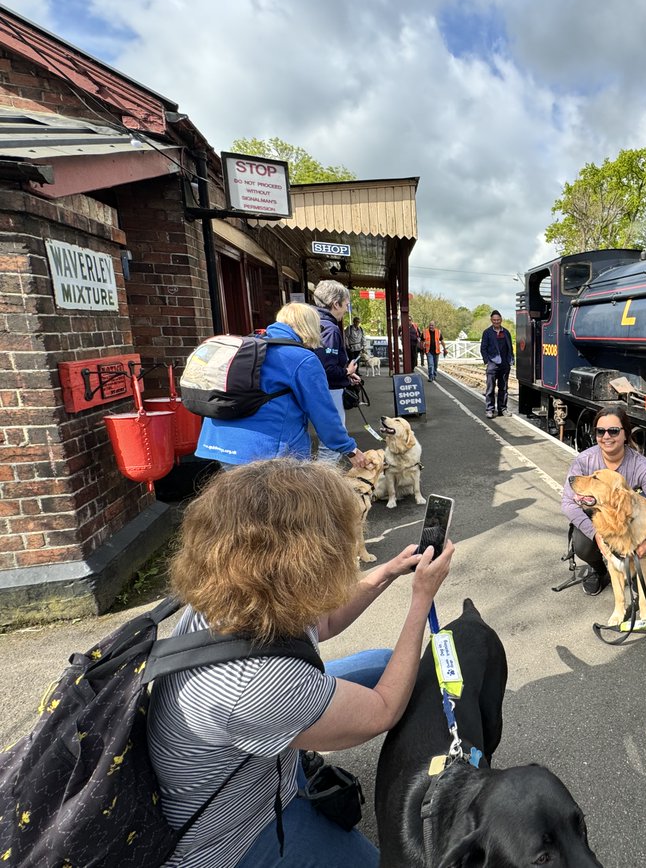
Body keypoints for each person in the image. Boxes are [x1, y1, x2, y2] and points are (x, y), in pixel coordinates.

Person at [147, 459, 452, 867]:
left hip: (243, 753)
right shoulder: (261, 685)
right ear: (309, 555)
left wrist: (389, 573)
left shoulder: (234, 594)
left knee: (385, 663)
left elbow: (321, 622)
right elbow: (382, 711)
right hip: (233, 837)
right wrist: (422, 599)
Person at [195, 302, 370, 470]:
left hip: (219, 442)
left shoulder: (251, 346)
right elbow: (324, 413)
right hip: (268, 453)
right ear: (309, 327)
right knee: (289, 499)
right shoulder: (303, 359)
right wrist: (350, 449)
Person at [560, 405, 646, 595]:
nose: (606, 436)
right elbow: (568, 503)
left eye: (613, 431)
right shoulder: (585, 460)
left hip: (627, 519)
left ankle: (636, 572)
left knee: (645, 526)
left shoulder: (640, 466)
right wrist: (596, 534)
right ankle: (599, 570)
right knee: (582, 544)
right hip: (598, 519)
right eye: (600, 431)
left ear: (626, 434)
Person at [313, 279, 361, 464]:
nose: (345, 310)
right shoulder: (330, 329)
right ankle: (326, 489)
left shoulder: (312, 322)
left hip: (311, 390)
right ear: (335, 303)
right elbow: (327, 369)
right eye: (346, 305)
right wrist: (346, 371)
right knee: (331, 444)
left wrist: (346, 375)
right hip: (329, 391)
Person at [480, 309, 513, 419]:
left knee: (503, 388)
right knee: (490, 389)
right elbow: (483, 348)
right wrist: (487, 361)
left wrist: (510, 360)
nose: (496, 322)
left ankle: (502, 409)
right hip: (492, 364)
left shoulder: (506, 332)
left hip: (504, 365)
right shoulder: (487, 332)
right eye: (494, 320)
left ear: (501, 320)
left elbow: (510, 347)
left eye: (498, 320)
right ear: (491, 320)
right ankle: (490, 409)